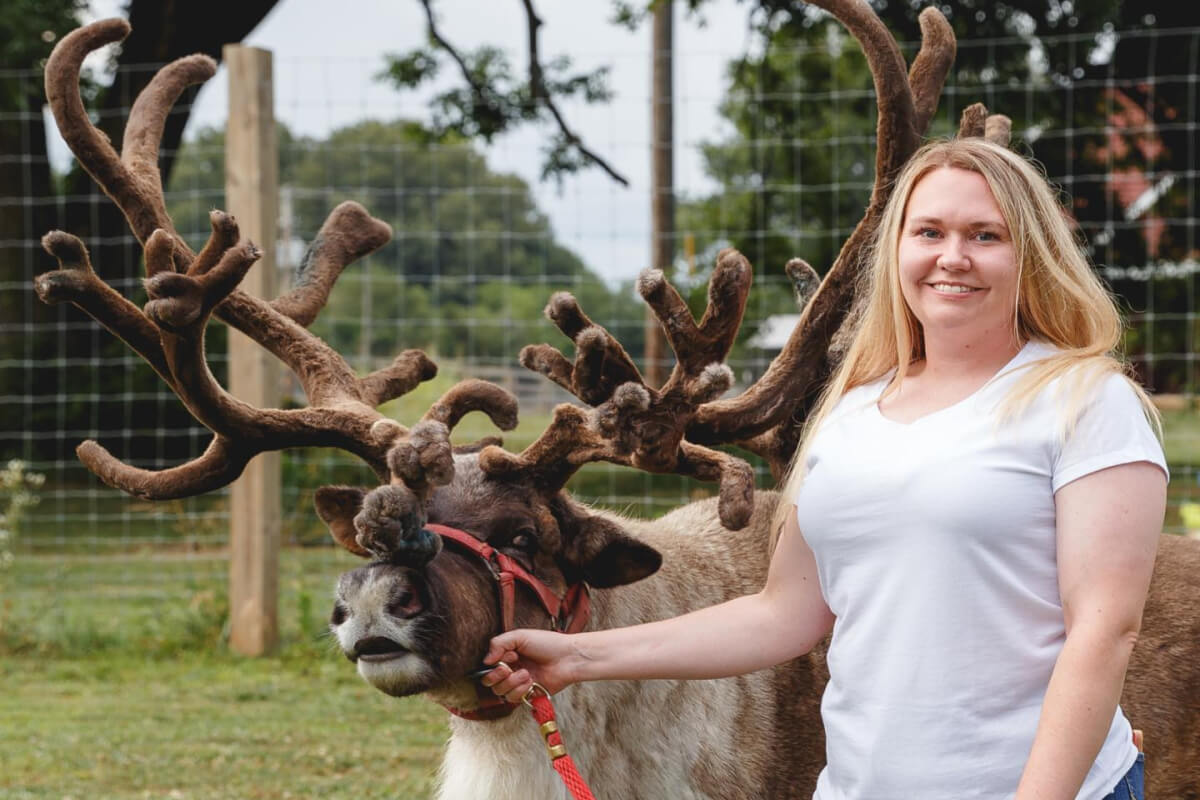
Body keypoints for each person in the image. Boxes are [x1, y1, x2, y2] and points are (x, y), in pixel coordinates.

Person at [480, 137, 1168, 800]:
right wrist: (576, 659)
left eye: (985, 236)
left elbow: (1103, 631)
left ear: (1031, 256)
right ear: (896, 249)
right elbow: (785, 613)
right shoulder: (852, 412)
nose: (952, 257)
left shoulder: (1086, 400)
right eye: (928, 232)